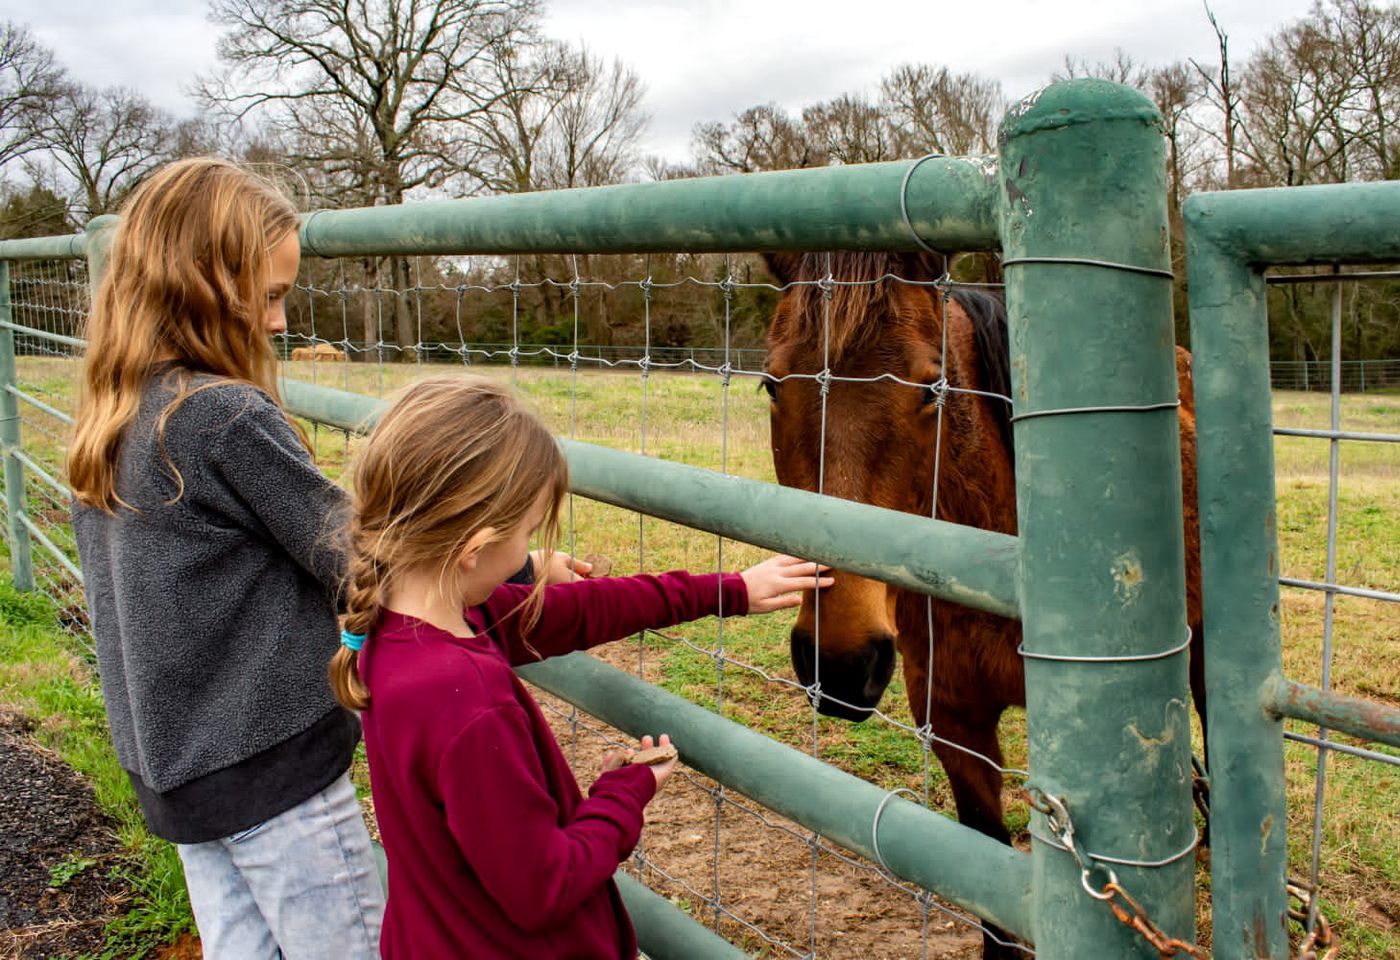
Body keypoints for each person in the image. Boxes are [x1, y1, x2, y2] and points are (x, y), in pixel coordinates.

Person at [65, 157, 581, 958]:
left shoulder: (115, 412)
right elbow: (356, 553)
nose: (279, 323)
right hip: (271, 770)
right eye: (269, 296)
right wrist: (516, 568)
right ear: (202, 285)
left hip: (178, 775)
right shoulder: (219, 417)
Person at [328, 373, 832, 959]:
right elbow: (543, 887)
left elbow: (583, 610)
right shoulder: (467, 698)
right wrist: (623, 794)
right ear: (473, 547)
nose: (529, 553)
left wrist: (730, 590)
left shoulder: (398, 626)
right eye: (525, 533)